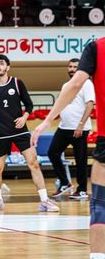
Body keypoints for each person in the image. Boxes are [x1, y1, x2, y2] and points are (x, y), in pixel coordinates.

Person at [32, 37, 105, 259]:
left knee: (101, 205)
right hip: (69, 128)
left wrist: (46, 120)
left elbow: (76, 85)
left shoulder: (97, 47)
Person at [0, 54, 59, 212]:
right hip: (1, 133)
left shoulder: (17, 83)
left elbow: (29, 104)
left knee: (34, 164)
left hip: (20, 131)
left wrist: (24, 117)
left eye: (1, 64)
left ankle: (44, 200)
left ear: (8, 67)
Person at [48, 58, 94, 200]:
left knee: (80, 160)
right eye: (70, 66)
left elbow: (90, 104)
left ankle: (82, 190)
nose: (72, 69)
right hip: (64, 128)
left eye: (75, 66)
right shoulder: (66, 85)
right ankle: (64, 182)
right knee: (53, 153)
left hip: (79, 129)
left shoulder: (86, 83)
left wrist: (81, 124)